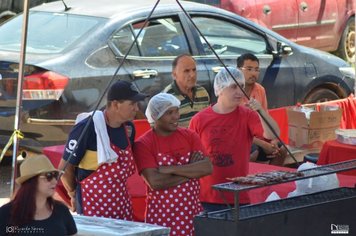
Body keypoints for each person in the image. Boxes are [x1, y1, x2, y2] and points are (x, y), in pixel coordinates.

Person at [189, 67, 280, 211]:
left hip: (238, 196)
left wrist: (261, 111)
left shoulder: (247, 116)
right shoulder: (199, 120)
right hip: (207, 197)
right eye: (233, 87)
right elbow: (191, 156)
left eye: (241, 87)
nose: (239, 92)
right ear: (220, 89)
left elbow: (272, 134)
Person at [58, 80, 146, 220]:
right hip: (93, 207)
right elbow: (64, 168)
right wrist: (73, 193)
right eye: (132, 104)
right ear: (115, 104)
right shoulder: (87, 128)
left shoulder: (129, 128)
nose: (137, 108)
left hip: (122, 205)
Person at [133, 93, 212, 235]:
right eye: (169, 113)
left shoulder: (190, 136)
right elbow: (156, 182)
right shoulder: (144, 144)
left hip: (192, 214)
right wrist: (191, 172)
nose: (176, 116)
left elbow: (207, 168)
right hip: (161, 218)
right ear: (156, 116)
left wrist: (170, 169)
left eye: (176, 111)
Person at [0, 155, 77, 235]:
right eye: (49, 176)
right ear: (31, 182)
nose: (55, 181)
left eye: (55, 175)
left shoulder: (62, 210)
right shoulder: (6, 213)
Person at [237, 53, 287, 166]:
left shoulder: (260, 90)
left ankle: (270, 180)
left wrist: (273, 140)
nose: (253, 73)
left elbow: (265, 118)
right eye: (249, 69)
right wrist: (264, 145)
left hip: (261, 136)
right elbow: (238, 131)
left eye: (256, 70)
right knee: (253, 152)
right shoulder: (233, 91)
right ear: (238, 70)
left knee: (282, 149)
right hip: (242, 139)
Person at [162, 54, 210, 127]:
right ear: (174, 74)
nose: (192, 75)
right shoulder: (168, 97)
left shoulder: (202, 92)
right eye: (186, 71)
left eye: (194, 70)